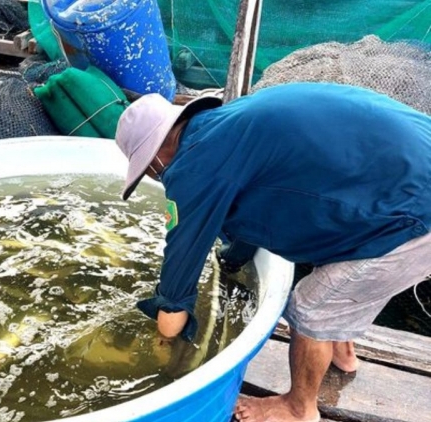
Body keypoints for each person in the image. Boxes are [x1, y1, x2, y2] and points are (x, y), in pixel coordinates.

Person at [114, 82, 431, 422]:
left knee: (311, 308)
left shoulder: (192, 165)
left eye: (148, 170)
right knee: (337, 251)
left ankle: (299, 408)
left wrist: (163, 338)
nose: (156, 177)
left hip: (415, 212)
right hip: (407, 166)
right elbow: (253, 209)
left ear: (158, 153)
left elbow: (179, 270)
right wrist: (232, 259)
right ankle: (341, 351)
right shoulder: (231, 124)